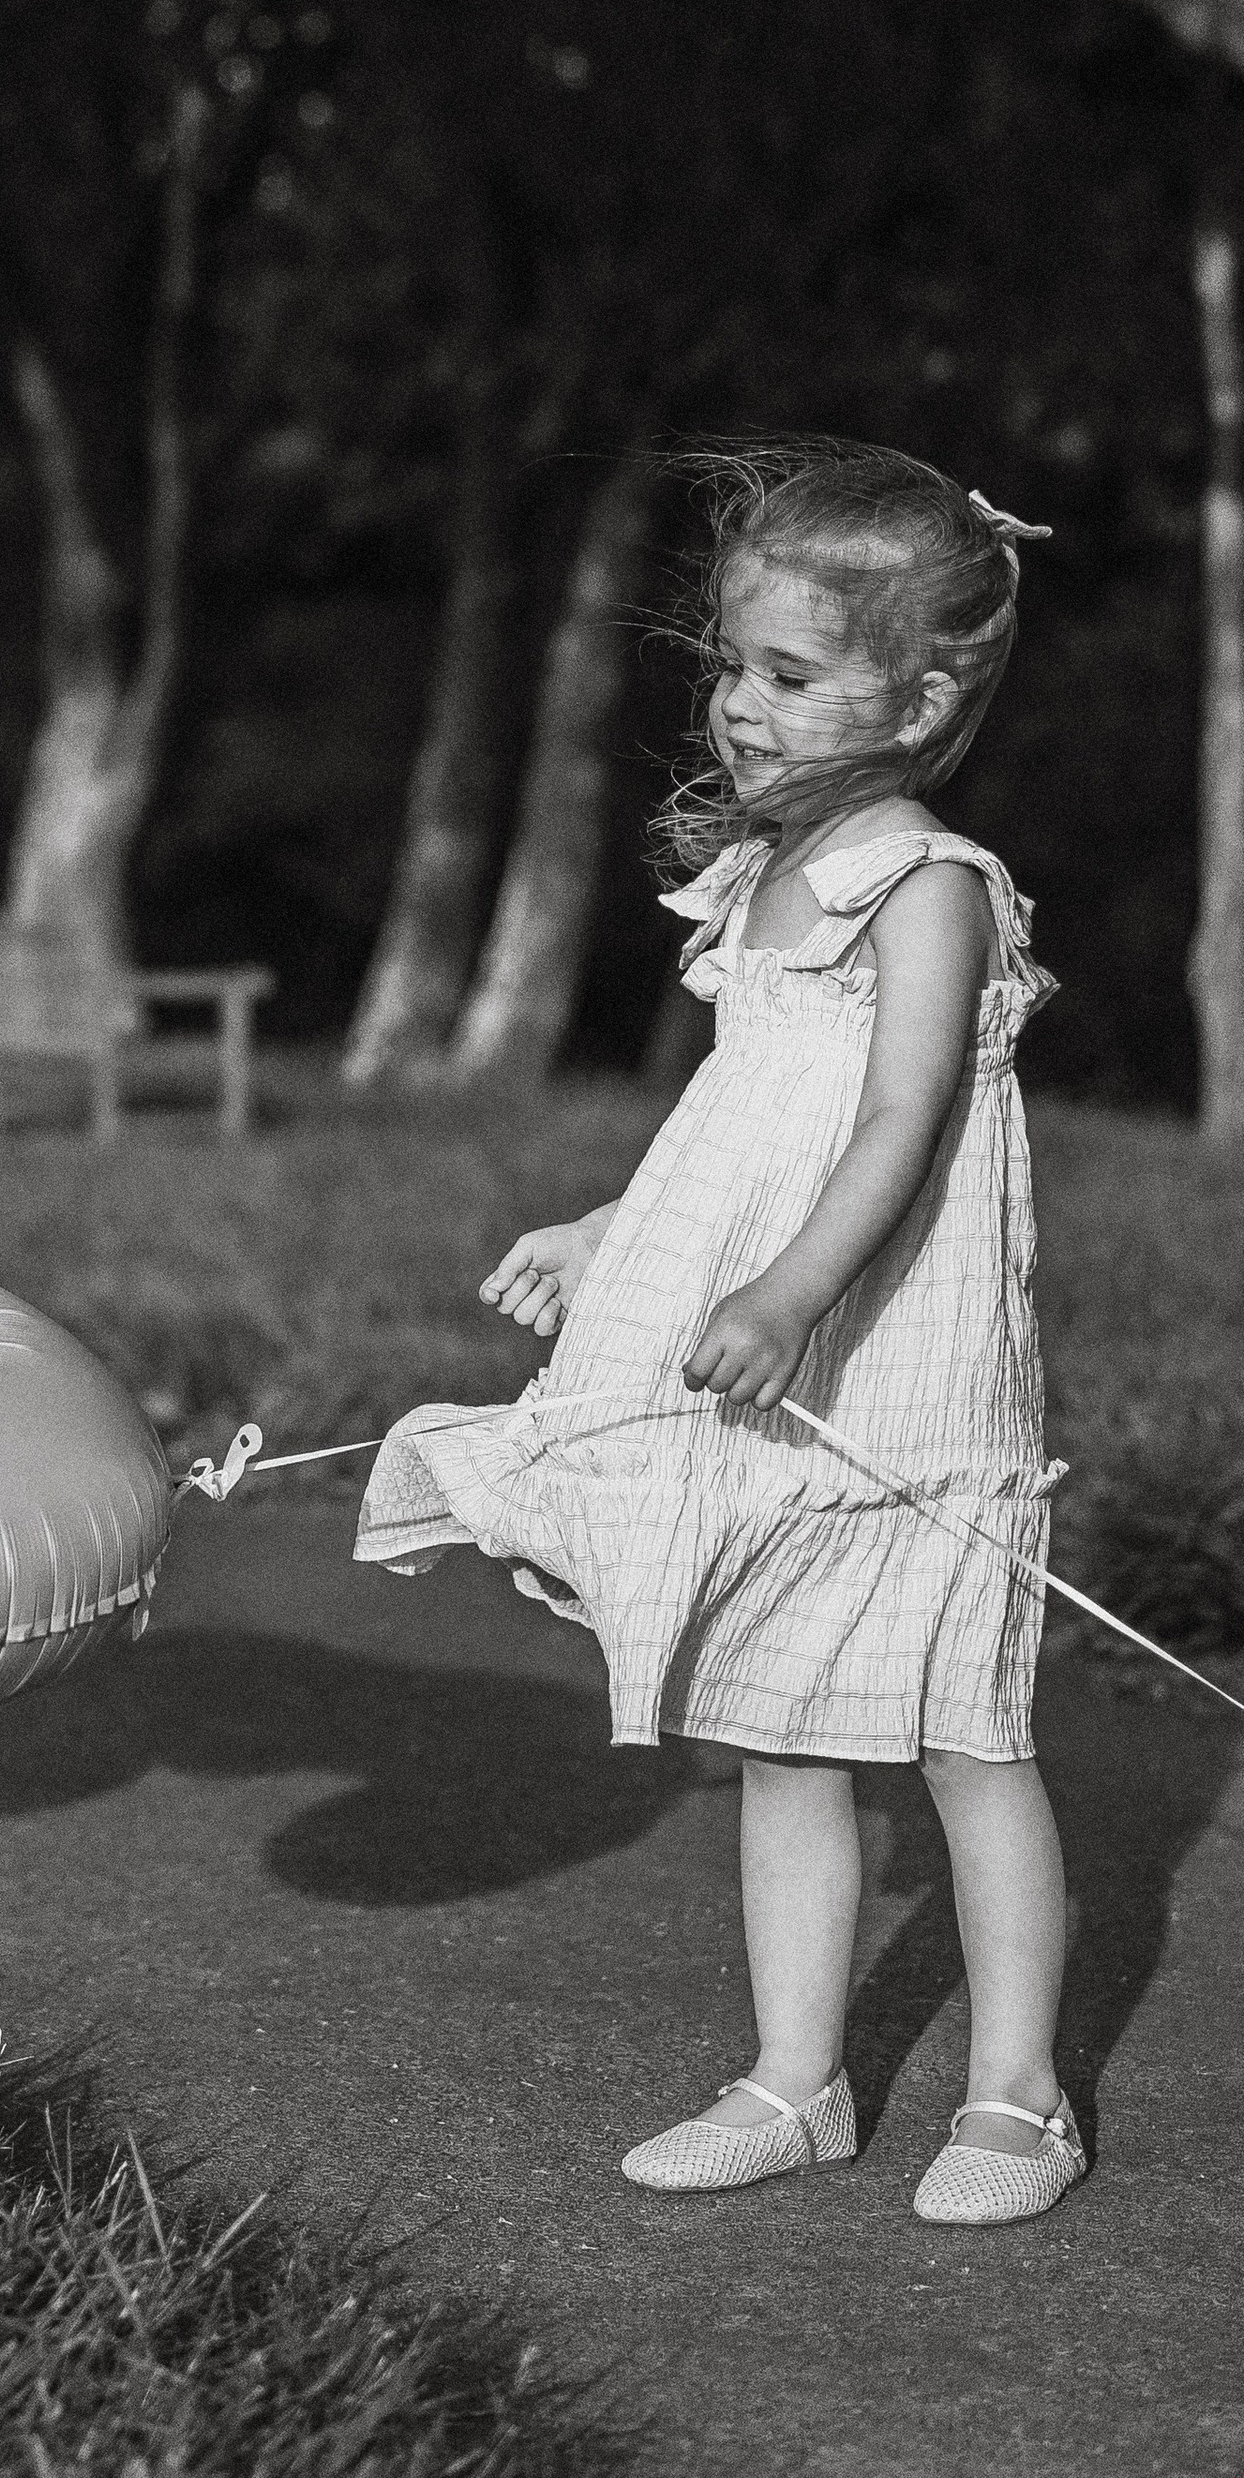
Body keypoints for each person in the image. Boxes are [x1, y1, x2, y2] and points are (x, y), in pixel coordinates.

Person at [357, 444, 1082, 2228]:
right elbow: (747, 1116)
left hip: (899, 1359)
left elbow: (901, 1122)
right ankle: (797, 2079)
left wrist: (791, 1294)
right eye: (728, 668)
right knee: (787, 1732)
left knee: (964, 1734)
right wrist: (622, 1231)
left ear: (920, 695)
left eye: (786, 674)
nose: (736, 707)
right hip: (781, 1354)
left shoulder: (929, 884)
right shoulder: (764, 881)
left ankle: (1018, 2097)